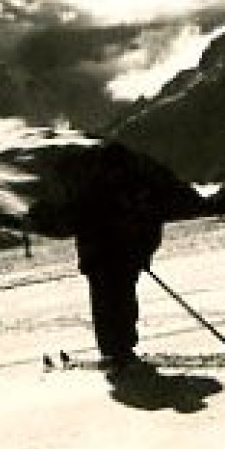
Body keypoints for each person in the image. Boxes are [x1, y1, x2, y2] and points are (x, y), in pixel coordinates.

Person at [71, 142, 166, 372]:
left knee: (118, 304)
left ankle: (121, 349)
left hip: (119, 259)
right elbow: (85, 228)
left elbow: (149, 224)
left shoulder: (125, 192)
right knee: (110, 305)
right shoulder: (100, 193)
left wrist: (143, 252)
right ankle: (116, 351)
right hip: (105, 260)